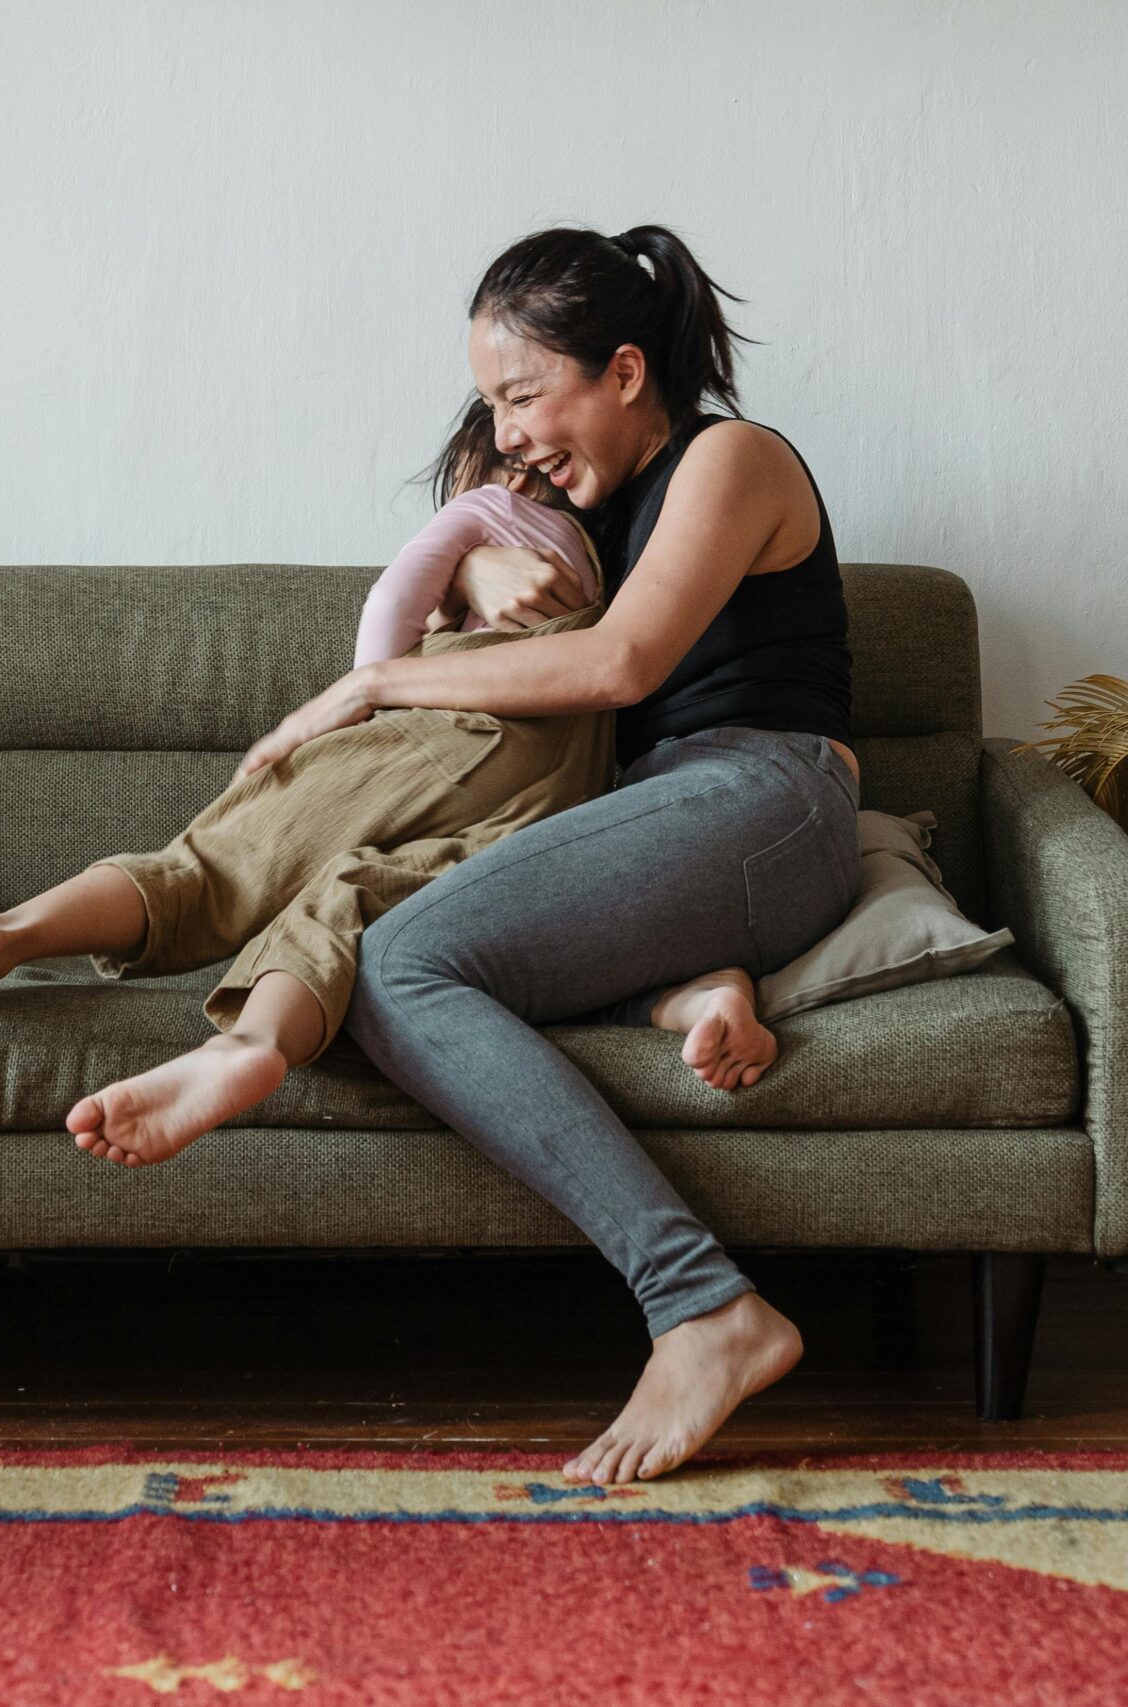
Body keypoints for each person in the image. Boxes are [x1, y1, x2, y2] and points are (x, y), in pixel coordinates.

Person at [235, 224, 862, 1487]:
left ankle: (705, 1308)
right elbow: (496, 574)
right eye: (492, 404)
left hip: (764, 792)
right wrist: (472, 559)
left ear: (625, 372)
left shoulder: (730, 459)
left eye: (524, 394)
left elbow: (621, 663)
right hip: (652, 819)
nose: (509, 430)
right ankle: (687, 984)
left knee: (402, 963)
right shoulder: (588, 506)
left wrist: (369, 689)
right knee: (406, 938)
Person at [0, 395, 788, 1168]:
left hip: (459, 727)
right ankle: (252, 1046)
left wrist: (376, 684)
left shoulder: (485, 509)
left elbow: (392, 601)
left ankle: (5, 935)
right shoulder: (621, 546)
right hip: (565, 784)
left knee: (210, 869)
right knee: (358, 899)